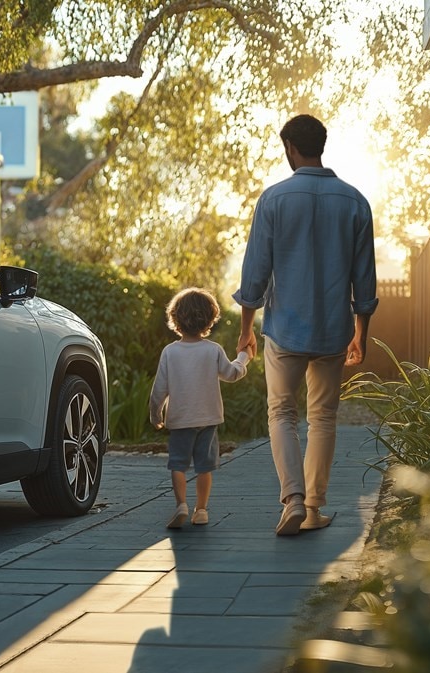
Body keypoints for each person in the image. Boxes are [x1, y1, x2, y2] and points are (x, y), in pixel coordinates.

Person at [233, 114, 378, 536]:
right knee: (323, 417)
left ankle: (292, 499)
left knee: (281, 412)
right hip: (333, 331)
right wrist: (360, 332)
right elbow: (364, 278)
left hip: (285, 331)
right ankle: (314, 508)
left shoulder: (273, 199)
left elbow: (255, 273)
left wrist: (246, 327)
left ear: (291, 148)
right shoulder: (355, 201)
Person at [149, 288, 250, 529]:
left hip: (180, 420)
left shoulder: (170, 352)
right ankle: (201, 510)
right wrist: (243, 356)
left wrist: (156, 414)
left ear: (175, 319)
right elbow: (232, 374)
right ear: (209, 319)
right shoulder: (212, 350)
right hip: (208, 420)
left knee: (177, 464)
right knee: (205, 467)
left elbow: (158, 390)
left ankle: (181, 504)